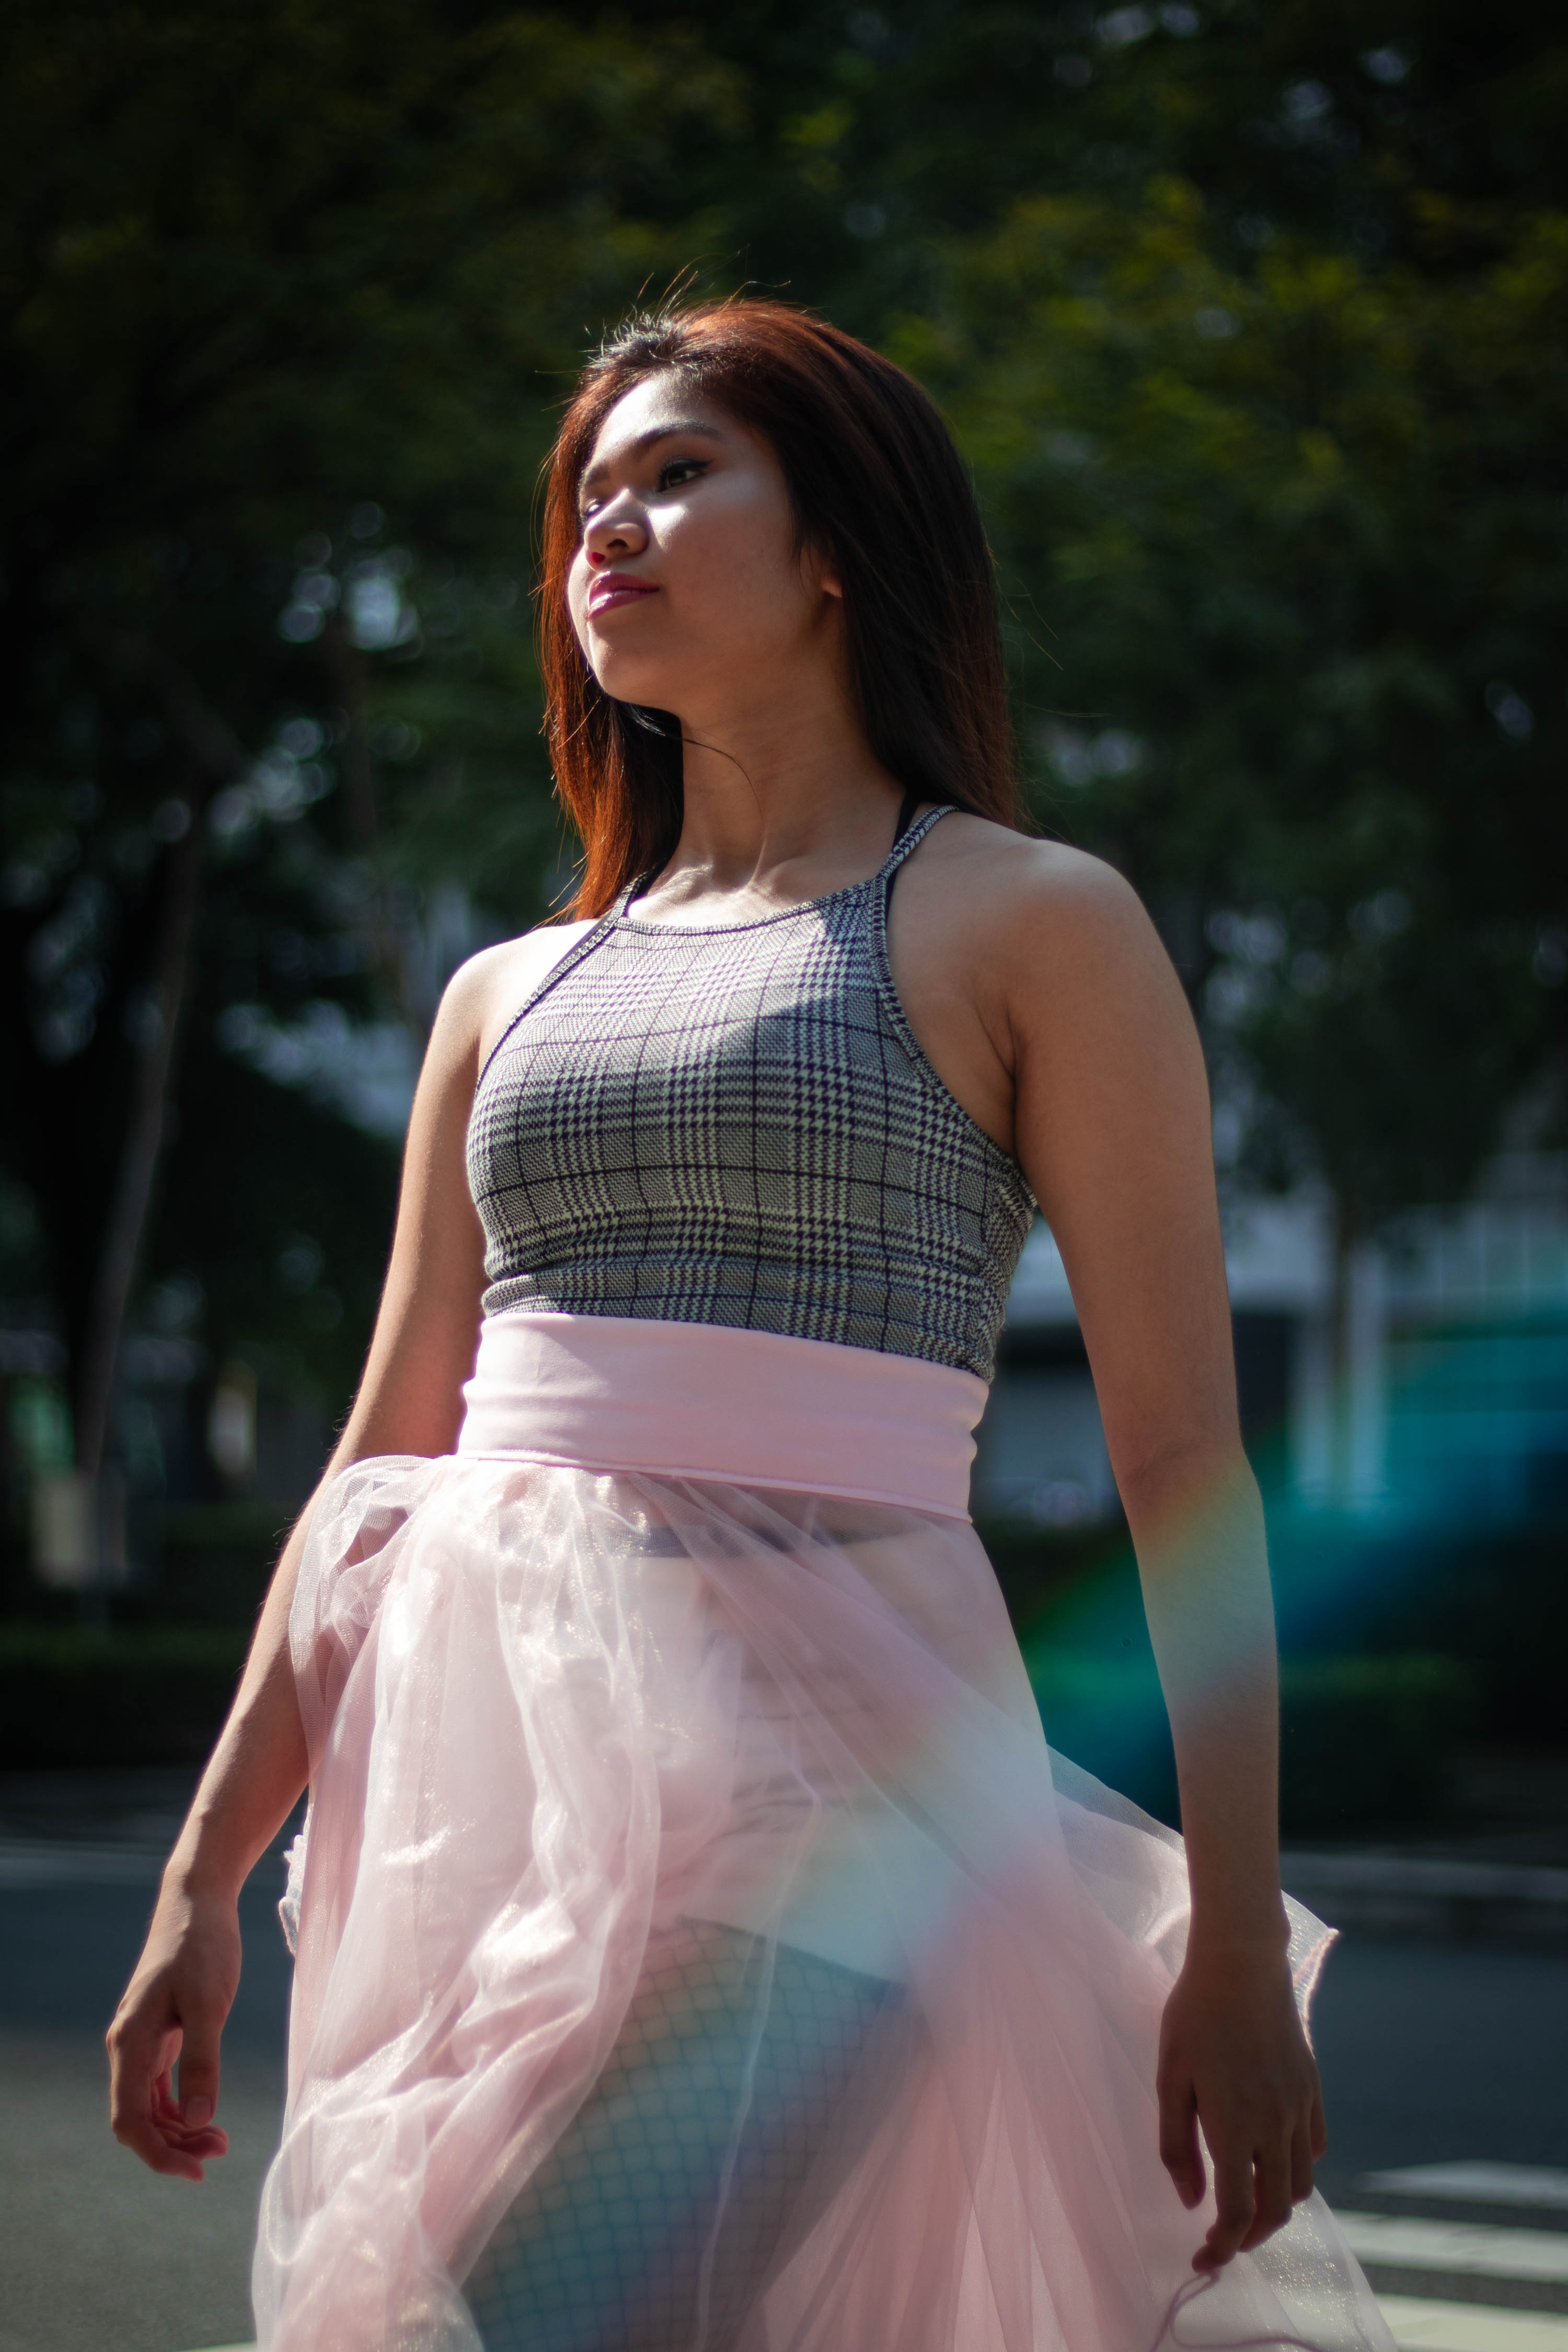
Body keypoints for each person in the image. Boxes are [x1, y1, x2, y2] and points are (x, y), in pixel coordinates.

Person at [109, 299, 1392, 2352]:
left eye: (677, 470)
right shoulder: (503, 993)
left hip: (850, 1808)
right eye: (585, 497)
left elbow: (1178, 1461)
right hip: (505, 1807)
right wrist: (198, 1885)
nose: (605, 526)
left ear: (837, 547)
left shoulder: (1030, 919)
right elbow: (379, 1457)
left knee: (535, 2315)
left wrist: (1232, 1939)